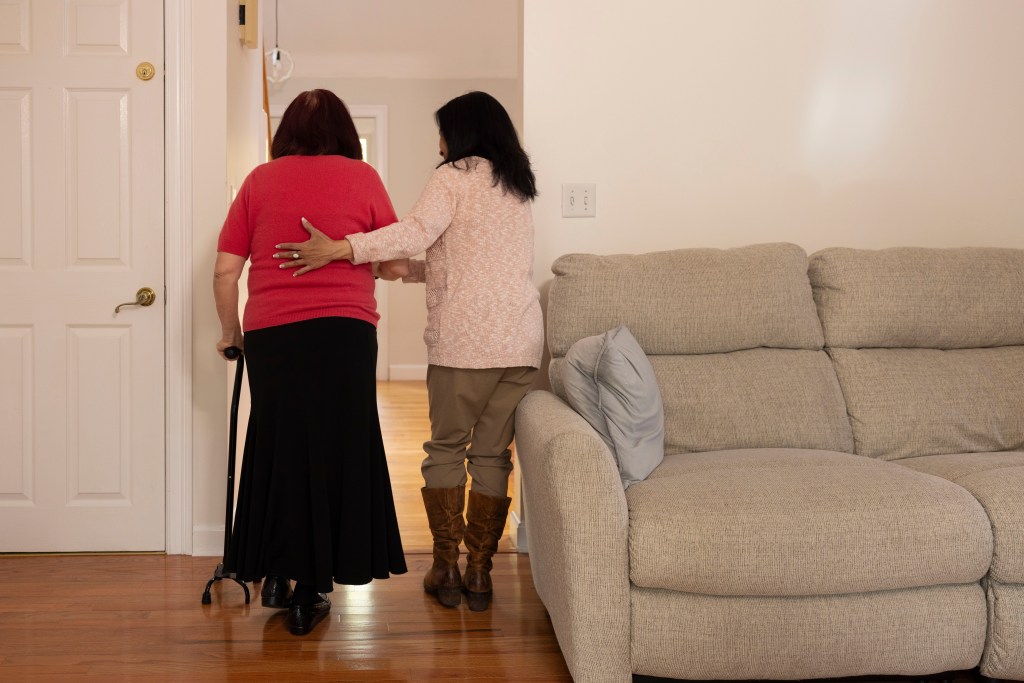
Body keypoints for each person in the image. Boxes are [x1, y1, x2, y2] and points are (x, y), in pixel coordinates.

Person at [272, 91, 544, 612]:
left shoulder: (453, 176)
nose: (438, 142)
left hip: (465, 342)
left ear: (462, 133)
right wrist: (398, 270)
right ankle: (481, 573)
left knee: (446, 449)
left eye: (442, 131)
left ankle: (445, 569)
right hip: (519, 342)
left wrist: (344, 248)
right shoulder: (517, 186)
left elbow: (416, 232)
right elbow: (470, 263)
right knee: (491, 455)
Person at [213, 89, 408, 636]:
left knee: (279, 446)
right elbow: (391, 262)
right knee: (334, 448)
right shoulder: (362, 178)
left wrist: (231, 333)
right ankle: (311, 588)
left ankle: (276, 571)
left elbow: (225, 272)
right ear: (344, 132)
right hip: (344, 333)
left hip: (273, 335)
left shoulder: (258, 180)